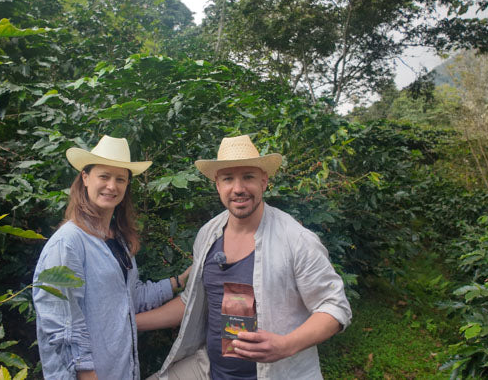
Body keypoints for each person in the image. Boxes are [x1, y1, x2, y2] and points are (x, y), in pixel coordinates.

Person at [137, 134, 352, 379]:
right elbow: (190, 301)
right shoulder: (208, 234)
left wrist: (285, 345)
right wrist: (130, 323)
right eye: (228, 178)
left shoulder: (296, 240)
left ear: (264, 181)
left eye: (248, 177)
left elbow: (335, 307)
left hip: (274, 373)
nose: (238, 189)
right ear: (217, 184)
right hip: (210, 368)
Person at [33, 135, 190, 380]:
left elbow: (129, 298)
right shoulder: (68, 243)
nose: (112, 186)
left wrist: (179, 280)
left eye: (120, 179)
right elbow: (61, 322)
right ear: (85, 178)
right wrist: (88, 374)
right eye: (104, 176)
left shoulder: (117, 241)